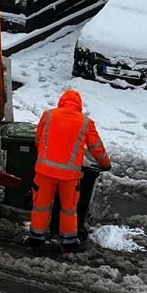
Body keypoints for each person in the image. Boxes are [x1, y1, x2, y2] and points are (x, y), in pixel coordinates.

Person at [26, 89, 111, 252]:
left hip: (44, 172)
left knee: (41, 206)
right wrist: (105, 164)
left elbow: (38, 139)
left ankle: (36, 238)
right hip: (69, 176)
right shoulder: (85, 122)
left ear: (61, 101)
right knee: (69, 209)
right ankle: (69, 241)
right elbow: (96, 148)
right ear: (79, 105)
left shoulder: (48, 115)